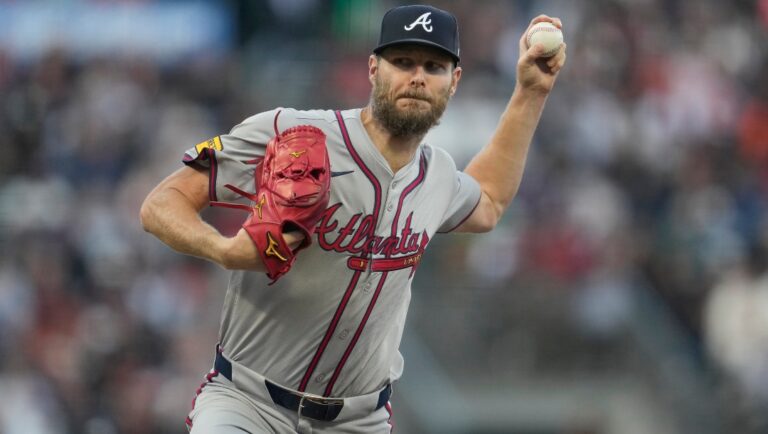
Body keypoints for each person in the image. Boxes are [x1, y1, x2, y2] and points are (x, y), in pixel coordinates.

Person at [140, 4, 566, 433]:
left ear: (454, 81)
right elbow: (161, 204)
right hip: (249, 404)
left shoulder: (436, 175)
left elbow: (489, 200)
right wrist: (223, 249)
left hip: (359, 420)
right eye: (402, 62)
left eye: (434, 66)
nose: (417, 77)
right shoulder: (293, 132)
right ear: (373, 69)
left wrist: (531, 93)